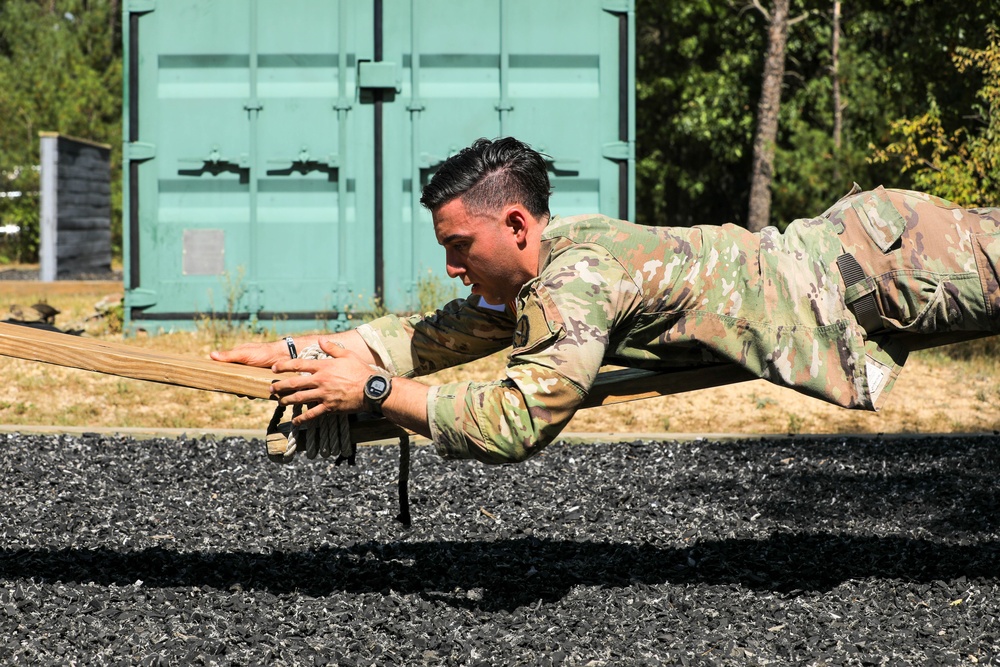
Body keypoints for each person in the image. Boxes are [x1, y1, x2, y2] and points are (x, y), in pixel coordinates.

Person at [212, 137, 1000, 464]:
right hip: (863, 248)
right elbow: (446, 336)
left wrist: (375, 392)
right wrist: (313, 354)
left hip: (890, 265)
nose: (451, 267)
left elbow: (519, 421)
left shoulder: (574, 283)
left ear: (515, 223)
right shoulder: (545, 263)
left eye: (458, 246)